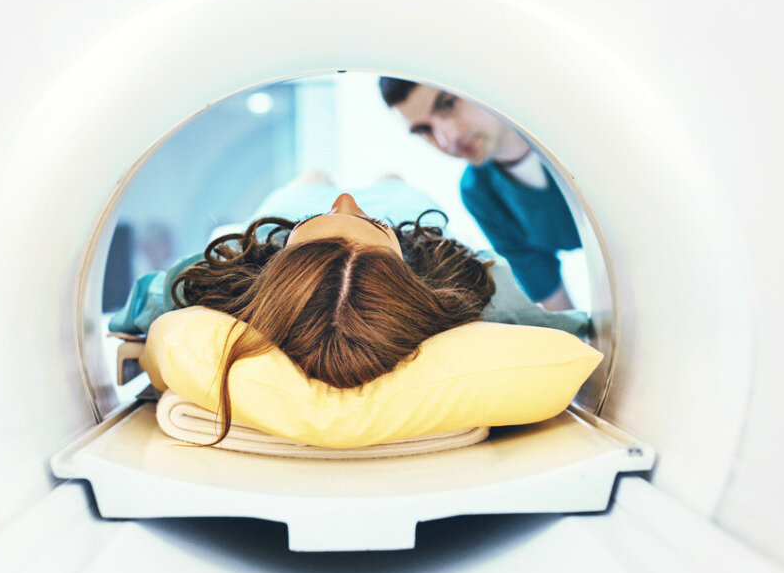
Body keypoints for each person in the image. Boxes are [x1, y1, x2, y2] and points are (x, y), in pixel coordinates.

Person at [109, 176, 589, 444]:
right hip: (407, 218)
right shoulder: (472, 285)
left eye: (330, 218)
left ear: (275, 269)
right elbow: (568, 330)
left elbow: (138, 314)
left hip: (291, 214)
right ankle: (369, 208)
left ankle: (310, 208)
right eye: (362, 222)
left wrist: (137, 333)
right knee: (392, 181)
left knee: (311, 180)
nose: (346, 201)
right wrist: (380, 226)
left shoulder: (227, 272)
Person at [379, 77, 581, 311]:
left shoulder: (573, 120)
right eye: (425, 130)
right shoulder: (479, 193)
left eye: (448, 103)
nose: (448, 139)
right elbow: (553, 298)